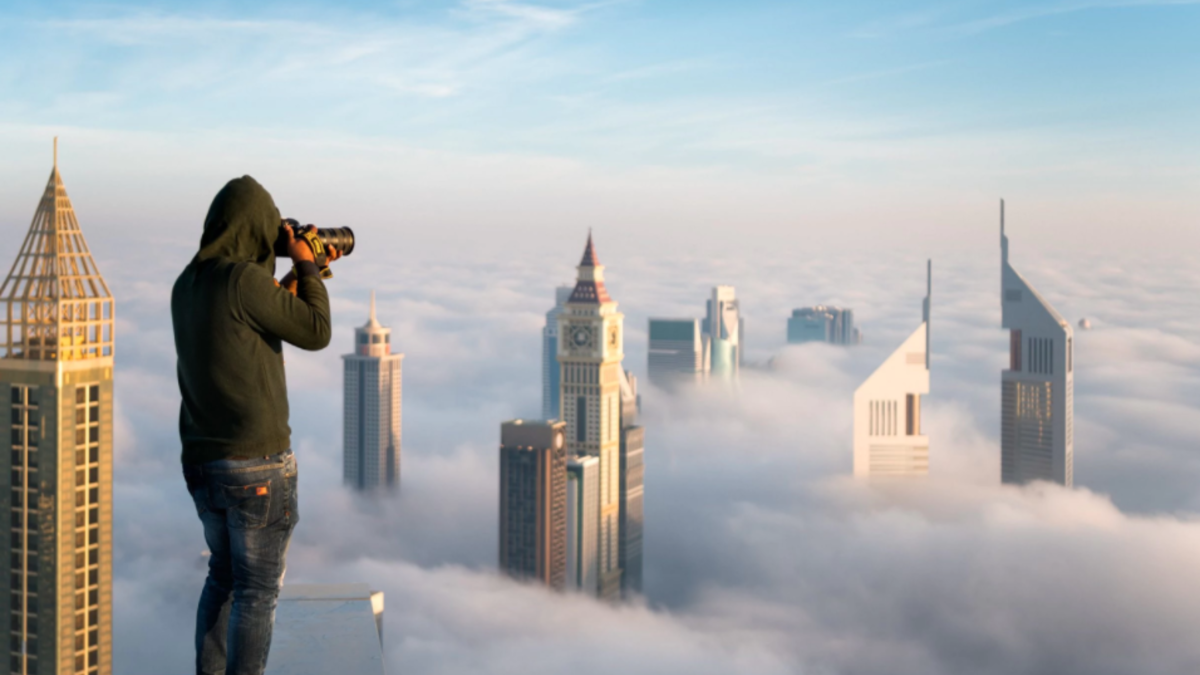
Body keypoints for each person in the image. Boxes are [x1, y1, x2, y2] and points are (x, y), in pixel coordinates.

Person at [171, 176, 339, 675]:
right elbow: (316, 331)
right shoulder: (243, 281)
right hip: (256, 464)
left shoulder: (189, 283)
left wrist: (297, 279)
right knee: (257, 591)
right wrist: (305, 263)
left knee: (222, 578)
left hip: (204, 464)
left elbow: (245, 322)